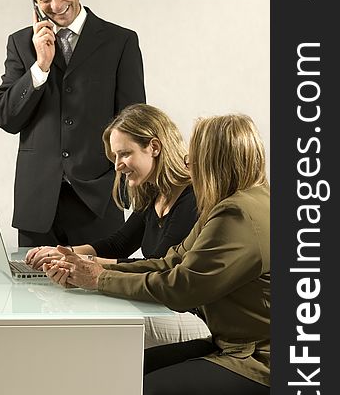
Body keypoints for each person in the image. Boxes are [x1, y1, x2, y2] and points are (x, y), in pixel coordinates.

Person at [44, 114, 270, 395]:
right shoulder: (233, 204)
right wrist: (92, 268)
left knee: (149, 393)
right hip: (240, 349)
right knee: (126, 370)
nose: (187, 163)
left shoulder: (236, 215)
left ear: (213, 158)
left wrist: (98, 279)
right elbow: (171, 261)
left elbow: (181, 287)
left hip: (264, 365)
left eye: (194, 155)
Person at [0, 0, 146, 247]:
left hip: (99, 202)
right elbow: (6, 117)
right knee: (32, 292)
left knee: (98, 291)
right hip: (37, 206)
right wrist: (40, 67)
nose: (56, 4)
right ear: (33, 1)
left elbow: (135, 122)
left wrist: (129, 187)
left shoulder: (120, 42)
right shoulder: (22, 44)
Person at [25, 103, 209, 347]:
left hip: (192, 317)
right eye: (115, 156)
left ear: (153, 147)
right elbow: (119, 243)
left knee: (92, 317)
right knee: (78, 304)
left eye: (124, 154)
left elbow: (157, 267)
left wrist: (86, 267)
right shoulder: (156, 194)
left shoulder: (192, 198)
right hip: (160, 307)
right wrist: (64, 253)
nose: (117, 166)